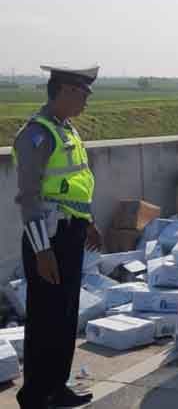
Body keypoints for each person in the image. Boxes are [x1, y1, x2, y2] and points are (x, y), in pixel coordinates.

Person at [12, 65, 102, 409]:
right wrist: (42, 251)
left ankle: (56, 388)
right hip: (48, 239)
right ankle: (35, 396)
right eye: (82, 94)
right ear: (63, 91)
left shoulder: (67, 130)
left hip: (70, 233)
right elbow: (29, 198)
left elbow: (75, 184)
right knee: (44, 320)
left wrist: (88, 221)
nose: (86, 102)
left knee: (65, 316)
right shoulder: (36, 135)